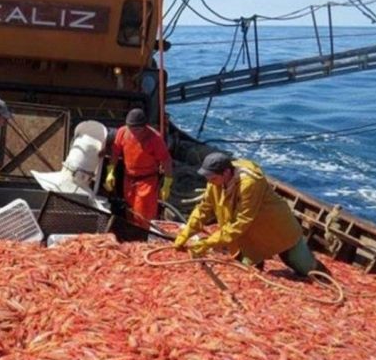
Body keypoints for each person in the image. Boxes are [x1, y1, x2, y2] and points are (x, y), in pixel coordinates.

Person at [174, 152, 328, 277]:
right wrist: (187, 231)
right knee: (247, 270)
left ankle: (324, 277)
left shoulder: (250, 183)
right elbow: (204, 208)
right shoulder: (214, 182)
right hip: (247, 235)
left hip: (274, 227)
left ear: (227, 172)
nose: (210, 181)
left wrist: (209, 242)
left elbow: (242, 221)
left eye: (213, 178)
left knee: (302, 265)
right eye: (208, 178)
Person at [104, 108, 173, 227]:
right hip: (128, 179)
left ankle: (142, 240)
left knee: (142, 216)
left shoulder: (155, 138)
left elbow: (166, 160)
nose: (134, 132)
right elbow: (115, 152)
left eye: (137, 129)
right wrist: (110, 172)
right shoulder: (122, 132)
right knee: (129, 210)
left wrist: (167, 183)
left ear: (145, 126)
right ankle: (131, 238)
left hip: (147, 182)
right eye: (131, 128)